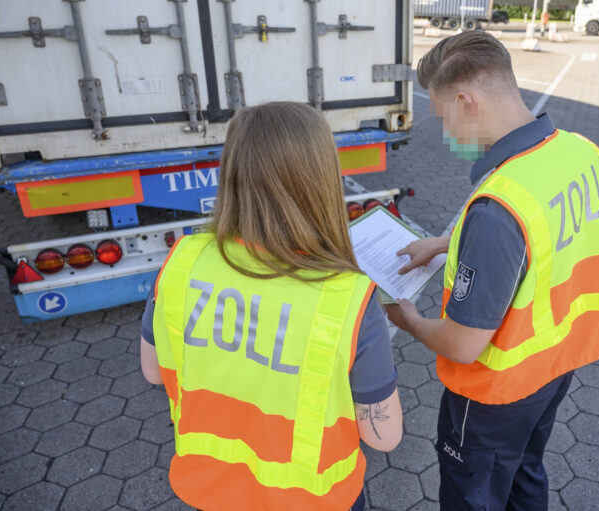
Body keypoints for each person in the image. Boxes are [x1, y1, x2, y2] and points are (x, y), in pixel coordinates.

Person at [386, 31, 599, 510]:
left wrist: (409, 320)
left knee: (478, 494)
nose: (448, 139)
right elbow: (541, 235)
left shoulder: (497, 207)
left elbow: (463, 344)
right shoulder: (579, 153)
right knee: (526, 470)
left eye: (446, 120)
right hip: (554, 368)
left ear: (466, 101)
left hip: (495, 393)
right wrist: (449, 243)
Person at [140, 102, 402, 511]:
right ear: (321, 182)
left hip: (212, 492)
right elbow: (384, 437)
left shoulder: (184, 262)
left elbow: (153, 370)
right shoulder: (348, 298)